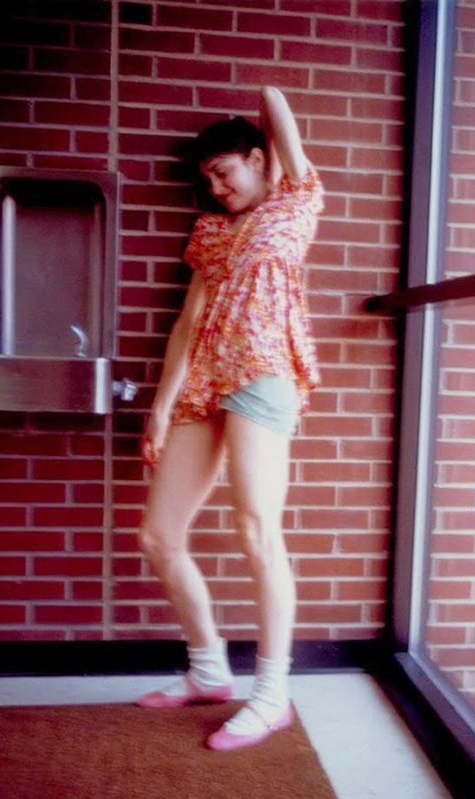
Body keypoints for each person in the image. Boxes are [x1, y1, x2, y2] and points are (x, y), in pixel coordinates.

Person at [136, 86, 325, 751]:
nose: (215, 188)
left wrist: (267, 108)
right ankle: (209, 670)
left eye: (224, 171)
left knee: (256, 531)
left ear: (256, 158)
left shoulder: (294, 203)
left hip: (263, 377)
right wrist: (160, 410)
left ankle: (272, 694)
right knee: (159, 534)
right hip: (204, 384)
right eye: (206, 178)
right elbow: (187, 324)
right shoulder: (213, 231)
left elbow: (277, 110)